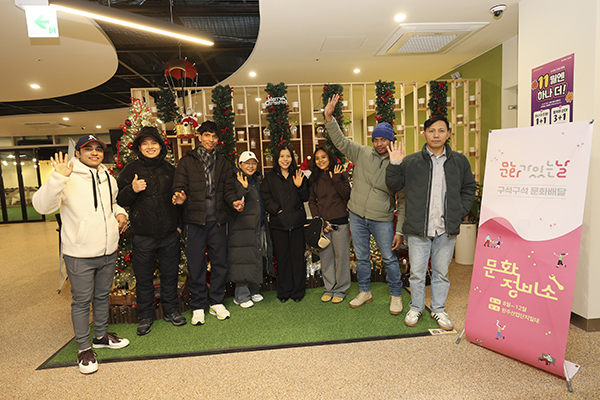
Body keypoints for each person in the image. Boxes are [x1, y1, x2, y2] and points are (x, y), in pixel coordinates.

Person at [32, 134, 130, 375]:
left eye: (98, 149)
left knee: (102, 296)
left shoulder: (107, 176)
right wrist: (58, 178)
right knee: (82, 301)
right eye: (88, 149)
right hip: (79, 254)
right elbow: (42, 206)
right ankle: (84, 349)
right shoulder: (66, 176)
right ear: (78, 153)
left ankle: (100, 336)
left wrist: (120, 214)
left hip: (108, 250)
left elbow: (112, 203)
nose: (94, 153)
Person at [386, 115, 476, 330]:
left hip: (446, 228)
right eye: (432, 130)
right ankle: (416, 307)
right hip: (419, 228)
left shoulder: (459, 161)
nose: (436, 135)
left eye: (441, 130)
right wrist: (395, 164)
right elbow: (394, 185)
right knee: (417, 273)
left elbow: (469, 188)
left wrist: (459, 212)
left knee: (441, 273)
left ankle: (438, 309)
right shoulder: (411, 161)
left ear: (448, 133)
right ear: (424, 133)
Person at [323, 94, 405, 315]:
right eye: (376, 139)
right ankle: (365, 292)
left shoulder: (399, 162)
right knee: (361, 257)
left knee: (389, 259)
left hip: (382, 219)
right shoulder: (361, 152)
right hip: (357, 215)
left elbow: (403, 201)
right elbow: (340, 141)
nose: (379, 144)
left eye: (383, 140)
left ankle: (396, 295)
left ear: (391, 140)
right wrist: (329, 118)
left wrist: (399, 230)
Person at [172, 121, 243, 325]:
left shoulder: (223, 162)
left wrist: (234, 201)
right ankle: (198, 305)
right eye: (207, 135)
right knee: (196, 264)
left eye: (214, 136)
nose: (211, 140)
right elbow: (178, 185)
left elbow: (228, 190)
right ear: (199, 137)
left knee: (220, 263)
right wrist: (179, 196)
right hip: (194, 221)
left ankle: (216, 302)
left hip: (218, 221)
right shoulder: (186, 161)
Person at [117, 126, 186, 336]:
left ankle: (171, 310)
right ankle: (145, 315)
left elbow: (179, 199)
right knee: (144, 277)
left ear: (161, 146)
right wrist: (132, 189)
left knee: (170, 275)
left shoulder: (170, 170)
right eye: (145, 143)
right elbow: (118, 199)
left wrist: (179, 225)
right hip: (142, 235)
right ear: (139, 147)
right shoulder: (130, 170)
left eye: (154, 143)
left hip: (169, 234)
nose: (150, 147)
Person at [260, 145, 309, 302]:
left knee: (297, 258)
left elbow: (306, 196)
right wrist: (277, 210)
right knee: (282, 259)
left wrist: (300, 187)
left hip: (297, 223)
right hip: (278, 224)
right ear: (277, 158)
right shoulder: (270, 177)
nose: (285, 159)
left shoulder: (299, 174)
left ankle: (298, 292)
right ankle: (284, 291)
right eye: (282, 156)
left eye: (288, 156)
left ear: (292, 158)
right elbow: (265, 196)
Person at [227, 151, 274, 308]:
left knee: (256, 257)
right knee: (243, 260)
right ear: (239, 164)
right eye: (247, 163)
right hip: (242, 228)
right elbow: (234, 202)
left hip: (258, 225)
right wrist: (243, 188)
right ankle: (241, 296)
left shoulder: (257, 179)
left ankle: (253, 291)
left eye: (253, 163)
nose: (251, 166)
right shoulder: (234, 179)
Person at [308, 146, 351, 303]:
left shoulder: (339, 174)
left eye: (323, 157)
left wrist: (336, 180)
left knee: (341, 258)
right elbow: (312, 201)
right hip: (323, 225)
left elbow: (347, 195)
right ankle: (329, 288)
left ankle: (341, 289)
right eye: (317, 158)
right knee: (326, 258)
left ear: (329, 157)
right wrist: (319, 220)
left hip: (340, 223)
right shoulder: (314, 179)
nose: (320, 160)